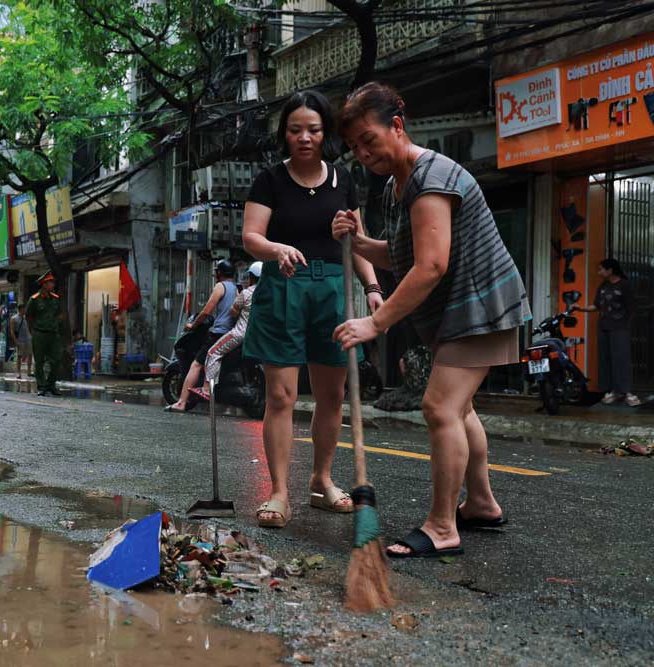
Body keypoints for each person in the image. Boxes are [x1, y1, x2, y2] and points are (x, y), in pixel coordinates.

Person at [333, 82, 531, 559]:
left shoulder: (430, 177)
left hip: (481, 306)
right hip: (459, 311)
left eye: (369, 140)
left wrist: (374, 324)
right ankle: (481, 503)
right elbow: (405, 253)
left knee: (440, 408)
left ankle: (443, 526)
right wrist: (359, 243)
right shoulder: (395, 186)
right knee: (459, 410)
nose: (363, 153)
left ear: (396, 126)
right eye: (355, 147)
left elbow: (431, 265)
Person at [241, 90, 384, 529]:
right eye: (296, 129)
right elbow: (251, 237)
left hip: (333, 292)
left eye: (314, 130)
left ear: (326, 134)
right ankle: (280, 492)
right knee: (281, 396)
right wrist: (276, 248)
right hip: (283, 290)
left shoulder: (343, 180)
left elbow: (355, 242)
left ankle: (322, 482)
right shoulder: (270, 180)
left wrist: (373, 286)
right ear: (285, 134)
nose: (305, 137)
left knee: (332, 396)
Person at [164, 259, 239, 412]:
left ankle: (182, 402)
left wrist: (193, 325)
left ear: (219, 273)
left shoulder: (220, 286)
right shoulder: (237, 289)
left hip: (219, 333)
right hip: (232, 333)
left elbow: (206, 311)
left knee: (197, 364)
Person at [571, 258, 641, 407]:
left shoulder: (625, 285)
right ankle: (613, 391)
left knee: (621, 359)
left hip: (620, 328)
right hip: (603, 327)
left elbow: (632, 309)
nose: (599, 272)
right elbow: (596, 306)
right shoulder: (604, 285)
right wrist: (580, 308)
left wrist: (626, 324)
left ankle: (626, 391)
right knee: (606, 359)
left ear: (610, 270)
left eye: (602, 269)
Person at [191, 261, 263, 401]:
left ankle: (206, 389)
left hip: (240, 334)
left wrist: (239, 299)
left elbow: (233, 312)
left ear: (252, 277)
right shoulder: (270, 293)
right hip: (260, 335)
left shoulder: (246, 293)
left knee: (212, 353)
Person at [26, 272, 64, 397]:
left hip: (53, 334)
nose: (52, 284)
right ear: (44, 284)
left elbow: (59, 314)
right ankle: (42, 387)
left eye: (52, 282)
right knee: (39, 361)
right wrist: (33, 331)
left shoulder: (55, 299)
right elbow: (29, 317)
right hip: (39, 334)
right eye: (50, 282)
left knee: (56, 360)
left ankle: (51, 385)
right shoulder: (34, 299)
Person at [9, 303, 33, 380]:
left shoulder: (25, 318)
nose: (24, 311)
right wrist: (16, 341)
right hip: (20, 339)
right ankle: (18, 372)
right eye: (23, 309)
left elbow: (28, 327)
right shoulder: (14, 318)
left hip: (28, 338)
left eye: (25, 309)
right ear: (20, 309)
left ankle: (29, 371)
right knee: (19, 356)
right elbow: (12, 331)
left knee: (30, 354)